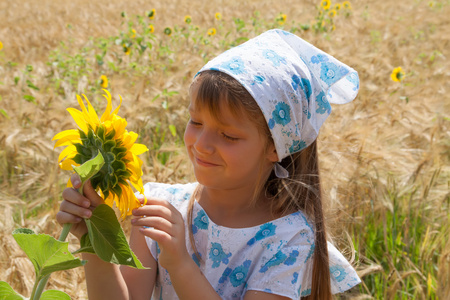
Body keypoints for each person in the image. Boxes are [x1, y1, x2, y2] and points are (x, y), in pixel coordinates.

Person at [57, 29, 361, 300]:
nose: (201, 144)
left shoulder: (288, 239)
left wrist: (179, 264)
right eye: (195, 121)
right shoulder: (162, 206)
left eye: (228, 135)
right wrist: (94, 240)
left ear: (275, 147)